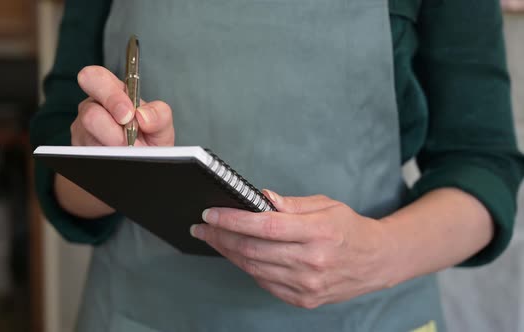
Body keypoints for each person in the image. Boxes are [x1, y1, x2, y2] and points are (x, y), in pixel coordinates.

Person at [30, 0, 524, 331]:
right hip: (144, 311)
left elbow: (482, 165)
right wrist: (110, 163)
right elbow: (60, 166)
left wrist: (377, 254)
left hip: (369, 316)